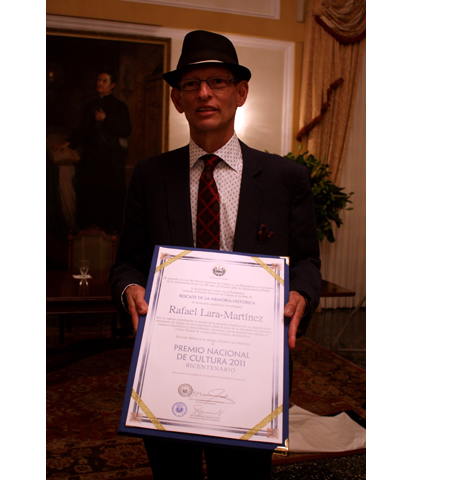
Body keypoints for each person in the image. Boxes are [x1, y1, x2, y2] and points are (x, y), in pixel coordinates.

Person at [109, 30, 322, 480]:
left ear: (240, 92)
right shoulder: (149, 176)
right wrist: (129, 286)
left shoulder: (286, 178)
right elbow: (126, 261)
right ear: (176, 99)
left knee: (242, 476)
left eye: (218, 81)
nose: (204, 93)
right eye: (191, 84)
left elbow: (306, 262)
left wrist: (302, 293)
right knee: (173, 475)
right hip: (169, 369)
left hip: (248, 372)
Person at [68, 70, 132, 232]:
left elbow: (125, 130)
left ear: (112, 85)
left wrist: (105, 120)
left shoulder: (119, 106)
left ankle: (110, 231)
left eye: (104, 81)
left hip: (110, 160)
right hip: (90, 159)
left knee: (109, 195)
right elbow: (83, 130)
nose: (99, 83)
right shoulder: (90, 106)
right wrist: (69, 142)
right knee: (88, 192)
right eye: (99, 80)